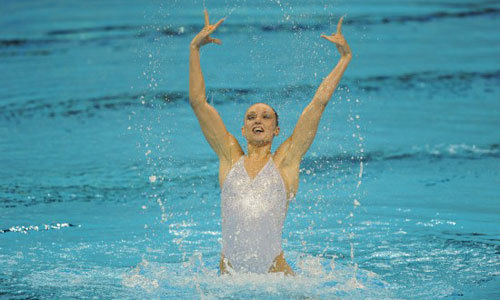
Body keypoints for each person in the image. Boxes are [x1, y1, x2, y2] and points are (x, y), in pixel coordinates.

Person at [189, 9, 352, 275]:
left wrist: (345, 58)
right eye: (251, 116)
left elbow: (318, 103)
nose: (259, 120)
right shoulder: (229, 159)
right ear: (242, 129)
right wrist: (194, 49)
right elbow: (198, 103)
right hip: (227, 278)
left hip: (274, 275)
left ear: (276, 130)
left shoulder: (285, 163)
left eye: (266, 117)